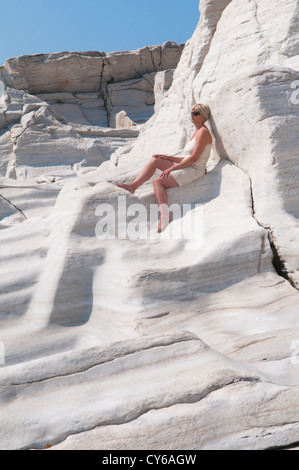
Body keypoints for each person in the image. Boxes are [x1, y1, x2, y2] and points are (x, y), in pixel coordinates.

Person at [116, 104, 212, 232]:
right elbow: (186, 158)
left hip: (195, 170)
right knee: (156, 160)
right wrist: (167, 157)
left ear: (203, 117)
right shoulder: (196, 132)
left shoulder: (203, 133)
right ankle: (133, 186)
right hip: (188, 165)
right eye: (191, 112)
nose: (192, 116)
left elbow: (194, 159)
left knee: (158, 182)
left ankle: (165, 216)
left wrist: (172, 168)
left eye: (195, 114)